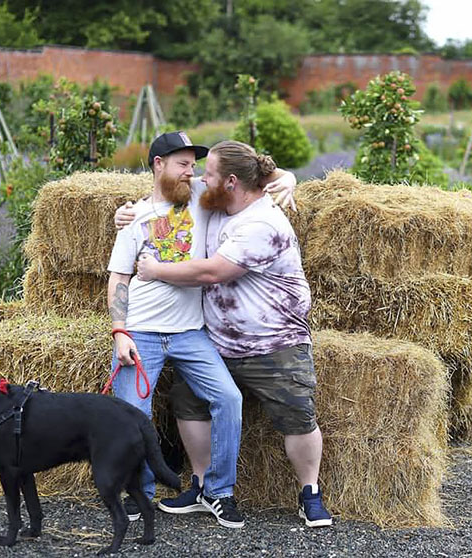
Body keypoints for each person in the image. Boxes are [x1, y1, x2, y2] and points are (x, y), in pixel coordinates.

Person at [134, 140, 332, 528]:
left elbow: (212, 272)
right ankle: (203, 485)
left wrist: (155, 270)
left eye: (206, 174)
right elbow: (168, 189)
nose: (198, 179)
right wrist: (129, 212)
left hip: (274, 343)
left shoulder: (263, 222)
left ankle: (310, 492)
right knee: (188, 401)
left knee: (297, 416)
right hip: (218, 342)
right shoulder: (218, 203)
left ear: (229, 182)